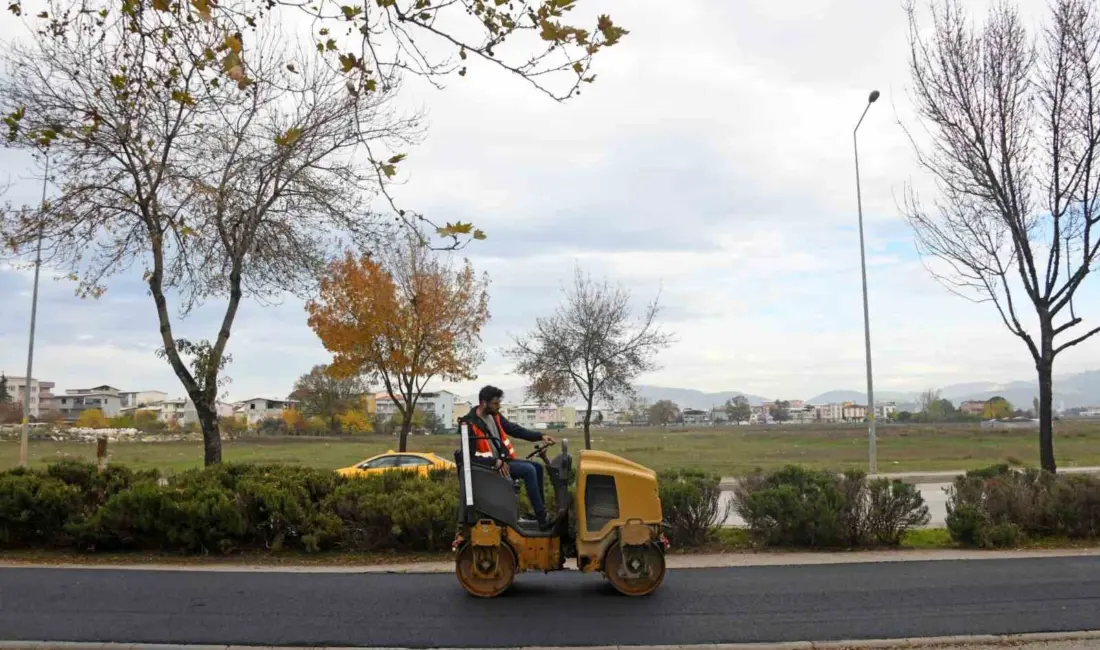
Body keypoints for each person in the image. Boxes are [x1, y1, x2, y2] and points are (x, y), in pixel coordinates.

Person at [459, 385, 557, 527]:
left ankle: (540, 513)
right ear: (483, 403)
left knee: (537, 467)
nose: (498, 407)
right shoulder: (468, 424)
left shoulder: (495, 416)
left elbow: (515, 430)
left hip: (502, 463)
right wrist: (494, 462)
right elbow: (467, 458)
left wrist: (541, 436)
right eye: (495, 403)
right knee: (529, 470)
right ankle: (542, 519)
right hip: (487, 469)